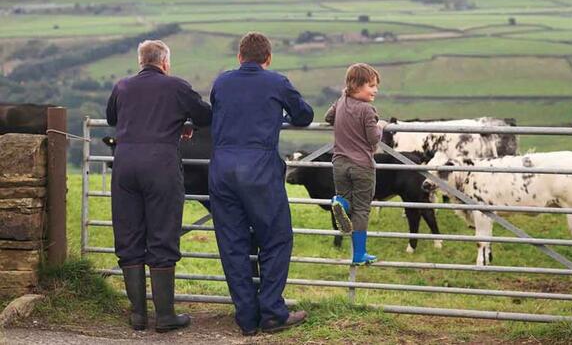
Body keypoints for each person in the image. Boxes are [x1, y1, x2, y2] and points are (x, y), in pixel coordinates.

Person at [209, 32, 313, 336]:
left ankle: (246, 318)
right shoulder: (276, 82)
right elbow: (304, 115)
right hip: (260, 169)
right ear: (268, 59)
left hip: (222, 169)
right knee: (277, 239)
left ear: (239, 57)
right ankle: (272, 312)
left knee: (233, 244)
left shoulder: (221, 82)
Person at [106, 40, 212, 332]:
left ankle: (138, 315)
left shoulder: (122, 87)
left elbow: (112, 118)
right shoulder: (176, 86)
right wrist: (184, 122)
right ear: (165, 63)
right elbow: (206, 116)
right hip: (160, 165)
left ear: (141, 61)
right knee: (162, 234)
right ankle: (165, 316)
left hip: (125, 165)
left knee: (129, 236)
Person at [325, 63, 386, 265]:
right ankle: (359, 254)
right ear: (357, 85)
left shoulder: (341, 101)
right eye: (371, 85)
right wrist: (380, 126)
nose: (375, 90)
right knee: (361, 209)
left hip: (340, 164)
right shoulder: (368, 110)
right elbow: (373, 139)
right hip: (362, 166)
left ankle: (340, 202)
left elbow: (328, 117)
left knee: (348, 201)